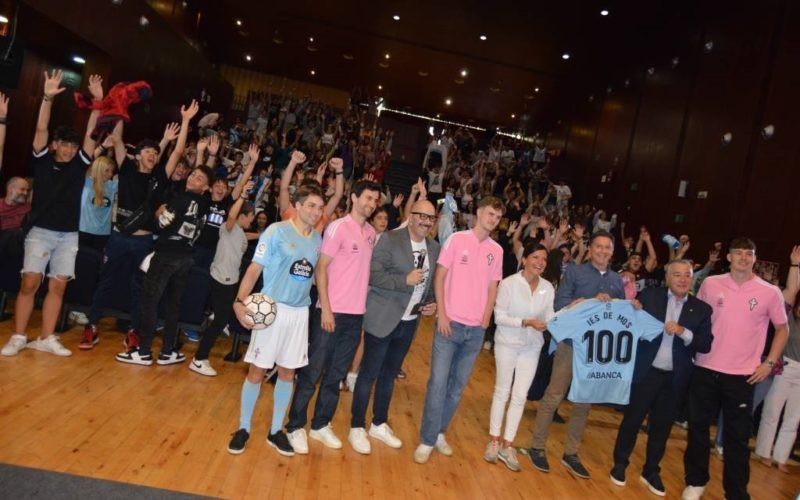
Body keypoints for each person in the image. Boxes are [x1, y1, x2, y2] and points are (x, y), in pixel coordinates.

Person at [1, 70, 100, 357]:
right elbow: (41, 129)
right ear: (55, 145)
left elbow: (92, 136)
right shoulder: (42, 161)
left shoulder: (80, 164)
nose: (70, 149)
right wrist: (46, 97)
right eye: (64, 144)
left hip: (68, 234)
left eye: (73, 144)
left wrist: (97, 103)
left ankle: (46, 336)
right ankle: (19, 336)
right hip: (40, 231)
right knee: (29, 282)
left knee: (58, 286)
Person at [682, 238, 788, 500]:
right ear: (728, 257)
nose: (743, 257)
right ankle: (696, 482)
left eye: (748, 254)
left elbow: (782, 328)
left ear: (754, 258)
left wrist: (769, 363)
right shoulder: (711, 284)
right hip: (706, 369)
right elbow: (698, 319)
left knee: (737, 439)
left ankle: (737, 493)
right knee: (697, 429)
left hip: (743, 376)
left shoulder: (769, 291)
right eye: (737, 253)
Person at [226, 183, 324, 456]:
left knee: (287, 373)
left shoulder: (317, 240)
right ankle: (244, 428)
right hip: (272, 311)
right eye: (312, 206)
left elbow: (315, 276)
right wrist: (238, 301)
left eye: (320, 207)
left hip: (299, 314)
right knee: (256, 371)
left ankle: (274, 431)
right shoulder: (276, 231)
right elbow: (255, 268)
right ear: (298, 206)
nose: (316, 212)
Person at [285, 179, 380, 453]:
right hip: (331, 311)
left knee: (336, 374)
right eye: (368, 198)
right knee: (312, 371)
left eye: (375, 200)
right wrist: (325, 307)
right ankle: (294, 426)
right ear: (354, 198)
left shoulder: (371, 233)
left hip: (355, 315)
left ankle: (320, 425)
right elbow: (321, 269)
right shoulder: (337, 227)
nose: (371, 204)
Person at [83, 107, 191, 349]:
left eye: (156, 151)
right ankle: (91, 325)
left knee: (139, 287)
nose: (153, 154)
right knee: (106, 282)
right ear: (138, 155)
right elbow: (119, 140)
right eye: (148, 151)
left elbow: (178, 152)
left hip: (144, 241)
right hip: (119, 238)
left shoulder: (160, 177)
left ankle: (133, 330)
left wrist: (185, 121)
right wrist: (120, 110)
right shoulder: (127, 167)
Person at [115, 104, 212, 366]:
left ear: (205, 186)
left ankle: (144, 351)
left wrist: (160, 214)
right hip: (186, 258)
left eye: (198, 179)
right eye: (193, 176)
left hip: (167, 253)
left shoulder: (180, 201)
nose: (193, 179)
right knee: (172, 305)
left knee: (149, 300)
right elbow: (201, 175)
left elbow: (161, 226)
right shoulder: (204, 203)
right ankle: (169, 351)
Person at [610, 259, 713, 496]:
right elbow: (630, 326)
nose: (683, 279)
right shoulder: (650, 296)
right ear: (667, 277)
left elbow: (705, 344)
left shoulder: (701, 309)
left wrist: (683, 332)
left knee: (662, 428)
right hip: (646, 372)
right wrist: (632, 309)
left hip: (675, 378)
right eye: (677, 275)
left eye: (687, 275)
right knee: (632, 420)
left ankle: (651, 471)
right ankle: (620, 464)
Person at [414, 196, 505, 464]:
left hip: (475, 331)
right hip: (449, 324)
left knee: (456, 388)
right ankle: (427, 439)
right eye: (490, 214)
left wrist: (485, 320)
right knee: (438, 384)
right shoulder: (456, 240)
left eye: (497, 217)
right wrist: (442, 313)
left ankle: (440, 432)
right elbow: (439, 277)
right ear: (478, 213)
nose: (493, 220)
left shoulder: (496, 251)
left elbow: (492, 288)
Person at [527, 230, 624, 479]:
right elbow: (560, 304)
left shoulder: (616, 280)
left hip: (596, 351)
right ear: (590, 249)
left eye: (607, 247)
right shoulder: (575, 272)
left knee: (584, 403)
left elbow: (620, 316)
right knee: (553, 395)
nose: (603, 251)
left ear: (612, 252)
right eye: (598, 246)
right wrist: (590, 301)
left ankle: (571, 453)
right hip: (571, 343)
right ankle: (537, 447)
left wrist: (629, 306)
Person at [348, 200, 440, 454]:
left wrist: (430, 303)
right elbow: (373, 274)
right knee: (369, 373)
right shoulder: (389, 239)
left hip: (409, 322)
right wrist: (404, 280)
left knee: (389, 376)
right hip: (383, 317)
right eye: (421, 215)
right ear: (410, 217)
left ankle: (378, 423)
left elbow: (429, 285)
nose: (425, 221)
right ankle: (356, 426)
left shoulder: (434, 247)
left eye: (430, 217)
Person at [485, 242, 554, 472]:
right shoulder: (508, 284)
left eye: (543, 259)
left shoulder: (548, 288)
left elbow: (549, 316)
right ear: (524, 259)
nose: (539, 263)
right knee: (502, 391)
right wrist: (525, 322)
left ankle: (508, 444)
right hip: (507, 344)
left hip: (531, 348)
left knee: (520, 396)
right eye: (535, 257)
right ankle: (494, 440)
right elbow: (499, 317)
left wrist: (558, 317)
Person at [189, 179, 256, 376]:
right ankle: (199, 359)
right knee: (220, 321)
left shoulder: (241, 233)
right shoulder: (228, 228)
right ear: (243, 216)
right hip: (220, 279)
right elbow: (232, 216)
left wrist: (263, 233)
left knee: (222, 317)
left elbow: (248, 236)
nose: (251, 221)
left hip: (230, 281)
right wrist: (242, 195)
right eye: (250, 217)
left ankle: (216, 318)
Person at [754, 245, 800, 473]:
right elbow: (792, 290)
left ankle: (781, 458)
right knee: (772, 413)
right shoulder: (787, 314)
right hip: (785, 367)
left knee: (793, 418)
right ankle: (764, 452)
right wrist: (794, 265)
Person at [78, 154, 118, 253]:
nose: (110, 174)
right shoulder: (87, 182)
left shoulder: (112, 186)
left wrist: (134, 160)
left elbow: (132, 177)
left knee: (95, 264)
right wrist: (101, 147)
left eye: (112, 171)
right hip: (84, 231)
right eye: (107, 170)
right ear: (98, 169)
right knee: (80, 263)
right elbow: (83, 163)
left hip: (103, 234)